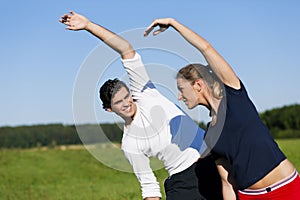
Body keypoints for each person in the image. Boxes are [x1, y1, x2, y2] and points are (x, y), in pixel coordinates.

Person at [59, 11, 223, 200]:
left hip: (213, 158)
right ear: (109, 109)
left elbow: (125, 49)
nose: (127, 103)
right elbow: (149, 185)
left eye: (127, 96)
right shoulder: (130, 144)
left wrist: (88, 25)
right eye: (119, 103)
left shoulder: (145, 93)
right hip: (184, 181)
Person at [144, 18, 300, 200]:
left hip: (286, 188)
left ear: (198, 84)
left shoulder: (234, 96)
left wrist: (173, 23)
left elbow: (206, 48)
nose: (179, 96)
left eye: (181, 89)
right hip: (249, 195)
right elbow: (227, 182)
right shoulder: (211, 134)